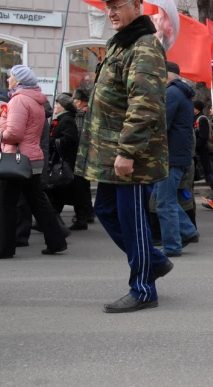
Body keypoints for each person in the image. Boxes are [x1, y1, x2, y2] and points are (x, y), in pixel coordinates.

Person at [75, 0, 172, 313]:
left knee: (133, 222)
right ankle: (152, 261)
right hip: (110, 152)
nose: (111, 12)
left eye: (118, 6)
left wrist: (128, 152)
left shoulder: (144, 46)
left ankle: (143, 289)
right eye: (108, 7)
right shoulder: (120, 44)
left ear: (136, 7)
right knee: (104, 209)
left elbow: (144, 104)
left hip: (130, 155)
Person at [0, 65, 67, 260]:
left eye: (11, 77)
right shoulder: (35, 100)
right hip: (31, 157)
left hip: (16, 159)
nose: (8, 80)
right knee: (37, 201)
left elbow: (14, 134)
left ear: (19, 81)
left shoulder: (19, 100)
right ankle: (57, 241)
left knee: (5, 204)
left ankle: (3, 248)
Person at [153, 61, 199, 258]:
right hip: (176, 154)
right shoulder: (182, 92)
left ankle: (172, 245)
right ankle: (188, 231)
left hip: (170, 155)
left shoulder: (172, 93)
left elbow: (162, 124)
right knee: (163, 198)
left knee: (164, 201)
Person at [45, 93, 81, 229]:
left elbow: (69, 138)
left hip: (63, 160)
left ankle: (54, 222)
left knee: (58, 190)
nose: (55, 106)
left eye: (57, 104)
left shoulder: (66, 120)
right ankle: (53, 221)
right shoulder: (63, 119)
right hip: (63, 159)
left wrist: (53, 142)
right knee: (58, 192)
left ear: (63, 107)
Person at [69, 87, 95, 229]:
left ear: (78, 101)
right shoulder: (90, 112)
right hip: (88, 153)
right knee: (84, 184)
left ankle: (85, 213)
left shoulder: (80, 115)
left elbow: (79, 134)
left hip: (82, 153)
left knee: (81, 185)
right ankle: (88, 211)